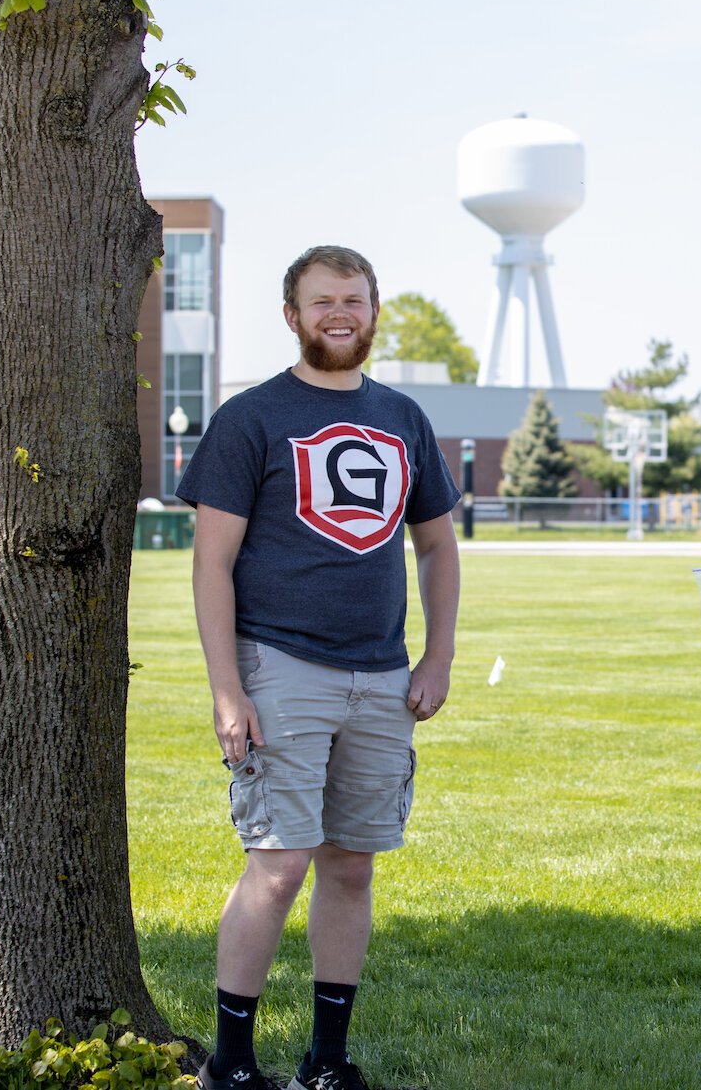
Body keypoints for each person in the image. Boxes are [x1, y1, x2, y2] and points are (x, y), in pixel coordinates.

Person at [178, 245, 461, 1090]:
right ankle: (231, 1065)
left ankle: (326, 1061)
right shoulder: (251, 417)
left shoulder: (403, 417)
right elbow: (210, 563)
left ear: (375, 310)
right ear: (293, 315)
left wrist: (438, 655)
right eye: (323, 301)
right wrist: (227, 687)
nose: (341, 313)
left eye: (355, 299)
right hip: (280, 664)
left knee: (351, 863)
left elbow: (438, 545)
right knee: (280, 860)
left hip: (381, 674)